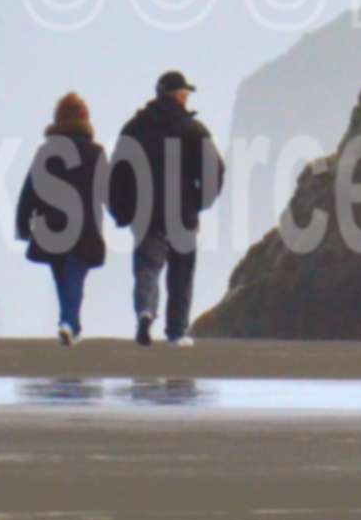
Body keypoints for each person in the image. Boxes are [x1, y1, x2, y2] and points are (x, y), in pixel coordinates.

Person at [107, 70, 226, 347]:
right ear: (179, 95)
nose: (187, 97)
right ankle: (176, 332)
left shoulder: (134, 128)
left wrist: (121, 210)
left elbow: (117, 175)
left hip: (145, 213)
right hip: (182, 213)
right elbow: (215, 169)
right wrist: (201, 200)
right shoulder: (193, 130)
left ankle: (145, 313)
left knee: (147, 268)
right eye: (185, 93)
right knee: (181, 274)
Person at [16, 91, 109, 345]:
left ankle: (69, 323)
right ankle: (69, 323)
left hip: (52, 226)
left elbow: (30, 191)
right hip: (85, 228)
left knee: (62, 278)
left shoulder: (47, 151)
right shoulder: (95, 152)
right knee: (75, 276)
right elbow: (107, 190)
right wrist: (122, 214)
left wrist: (23, 225)